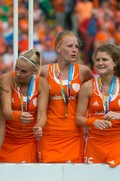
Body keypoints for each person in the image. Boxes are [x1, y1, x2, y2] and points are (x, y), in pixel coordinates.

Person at [76, 43, 120, 167]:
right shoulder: (87, 86)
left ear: (115, 62)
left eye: (104, 59)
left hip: (117, 142)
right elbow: (78, 118)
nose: (100, 63)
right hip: (94, 143)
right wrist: (93, 122)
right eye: (97, 60)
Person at [39, 30, 94, 163]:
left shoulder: (83, 71)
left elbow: (95, 95)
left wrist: (88, 120)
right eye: (70, 46)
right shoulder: (44, 71)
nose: (74, 50)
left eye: (76, 46)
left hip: (75, 134)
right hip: (50, 135)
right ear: (58, 48)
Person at [0, 48, 49, 163]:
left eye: (23, 71)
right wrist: (18, 115)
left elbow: (42, 114)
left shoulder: (42, 83)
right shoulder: (7, 78)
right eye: (16, 68)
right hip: (7, 140)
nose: (18, 73)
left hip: (29, 141)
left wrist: (39, 127)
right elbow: (6, 111)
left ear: (34, 71)